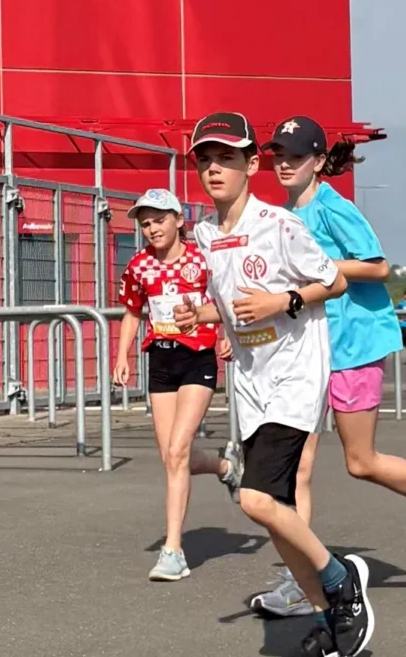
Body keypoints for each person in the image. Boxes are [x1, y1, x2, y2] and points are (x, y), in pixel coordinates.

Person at [245, 115, 406, 619]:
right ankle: (302, 580)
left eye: (295, 157)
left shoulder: (333, 208)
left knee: (360, 461)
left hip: (355, 346)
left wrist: (318, 270)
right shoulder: (286, 215)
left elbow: (377, 266)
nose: (284, 164)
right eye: (277, 156)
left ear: (320, 162)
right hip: (311, 352)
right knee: (296, 470)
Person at [173, 111, 375, 657]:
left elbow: (332, 282)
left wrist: (280, 301)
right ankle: (329, 621)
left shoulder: (282, 225)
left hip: (295, 374)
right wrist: (206, 317)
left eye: (227, 159)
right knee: (278, 512)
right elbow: (230, 302)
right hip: (251, 382)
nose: (215, 169)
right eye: (205, 160)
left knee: (256, 497)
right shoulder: (205, 232)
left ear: (250, 165)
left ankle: (339, 580)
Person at [112, 187, 241, 581]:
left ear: (178, 220)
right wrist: (122, 356)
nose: (152, 229)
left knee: (178, 448)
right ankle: (225, 466)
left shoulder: (202, 260)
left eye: (159, 220)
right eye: (145, 223)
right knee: (172, 456)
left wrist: (224, 332)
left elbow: (224, 300)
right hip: (161, 360)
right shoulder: (138, 267)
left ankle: (173, 550)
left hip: (197, 359)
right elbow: (133, 313)